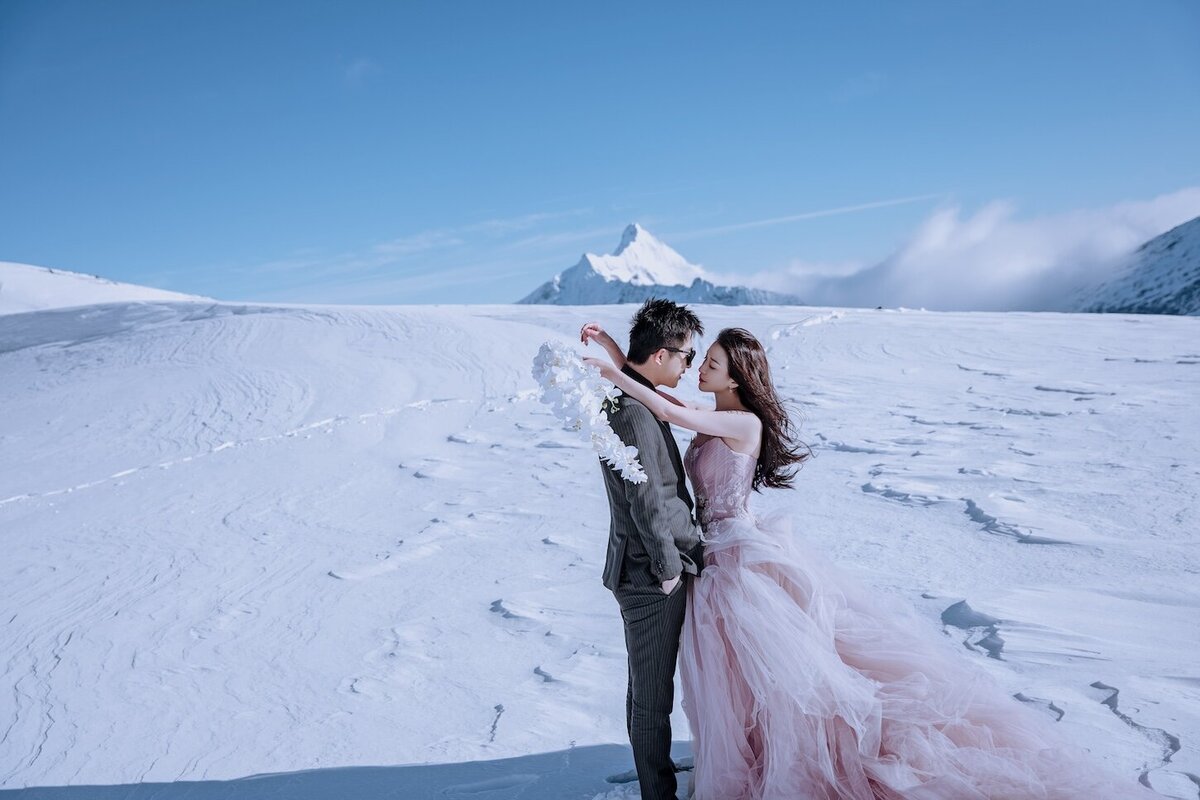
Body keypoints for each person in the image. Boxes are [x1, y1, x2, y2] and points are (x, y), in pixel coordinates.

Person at [583, 322, 1155, 800]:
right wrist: (618, 353)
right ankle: (752, 753)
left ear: (737, 375)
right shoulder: (715, 412)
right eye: (699, 359)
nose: (700, 368)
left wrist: (612, 371)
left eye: (711, 362)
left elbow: (669, 410)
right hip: (716, 562)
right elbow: (670, 400)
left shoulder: (742, 423)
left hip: (741, 561)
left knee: (779, 672)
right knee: (736, 679)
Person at [588, 299, 706, 800]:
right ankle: (658, 794)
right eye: (687, 355)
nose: (690, 365)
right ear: (661, 355)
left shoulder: (631, 397)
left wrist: (613, 354)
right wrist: (666, 569)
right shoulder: (632, 411)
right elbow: (647, 497)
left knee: (646, 689)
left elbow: (634, 377)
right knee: (652, 697)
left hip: (651, 567)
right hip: (650, 574)